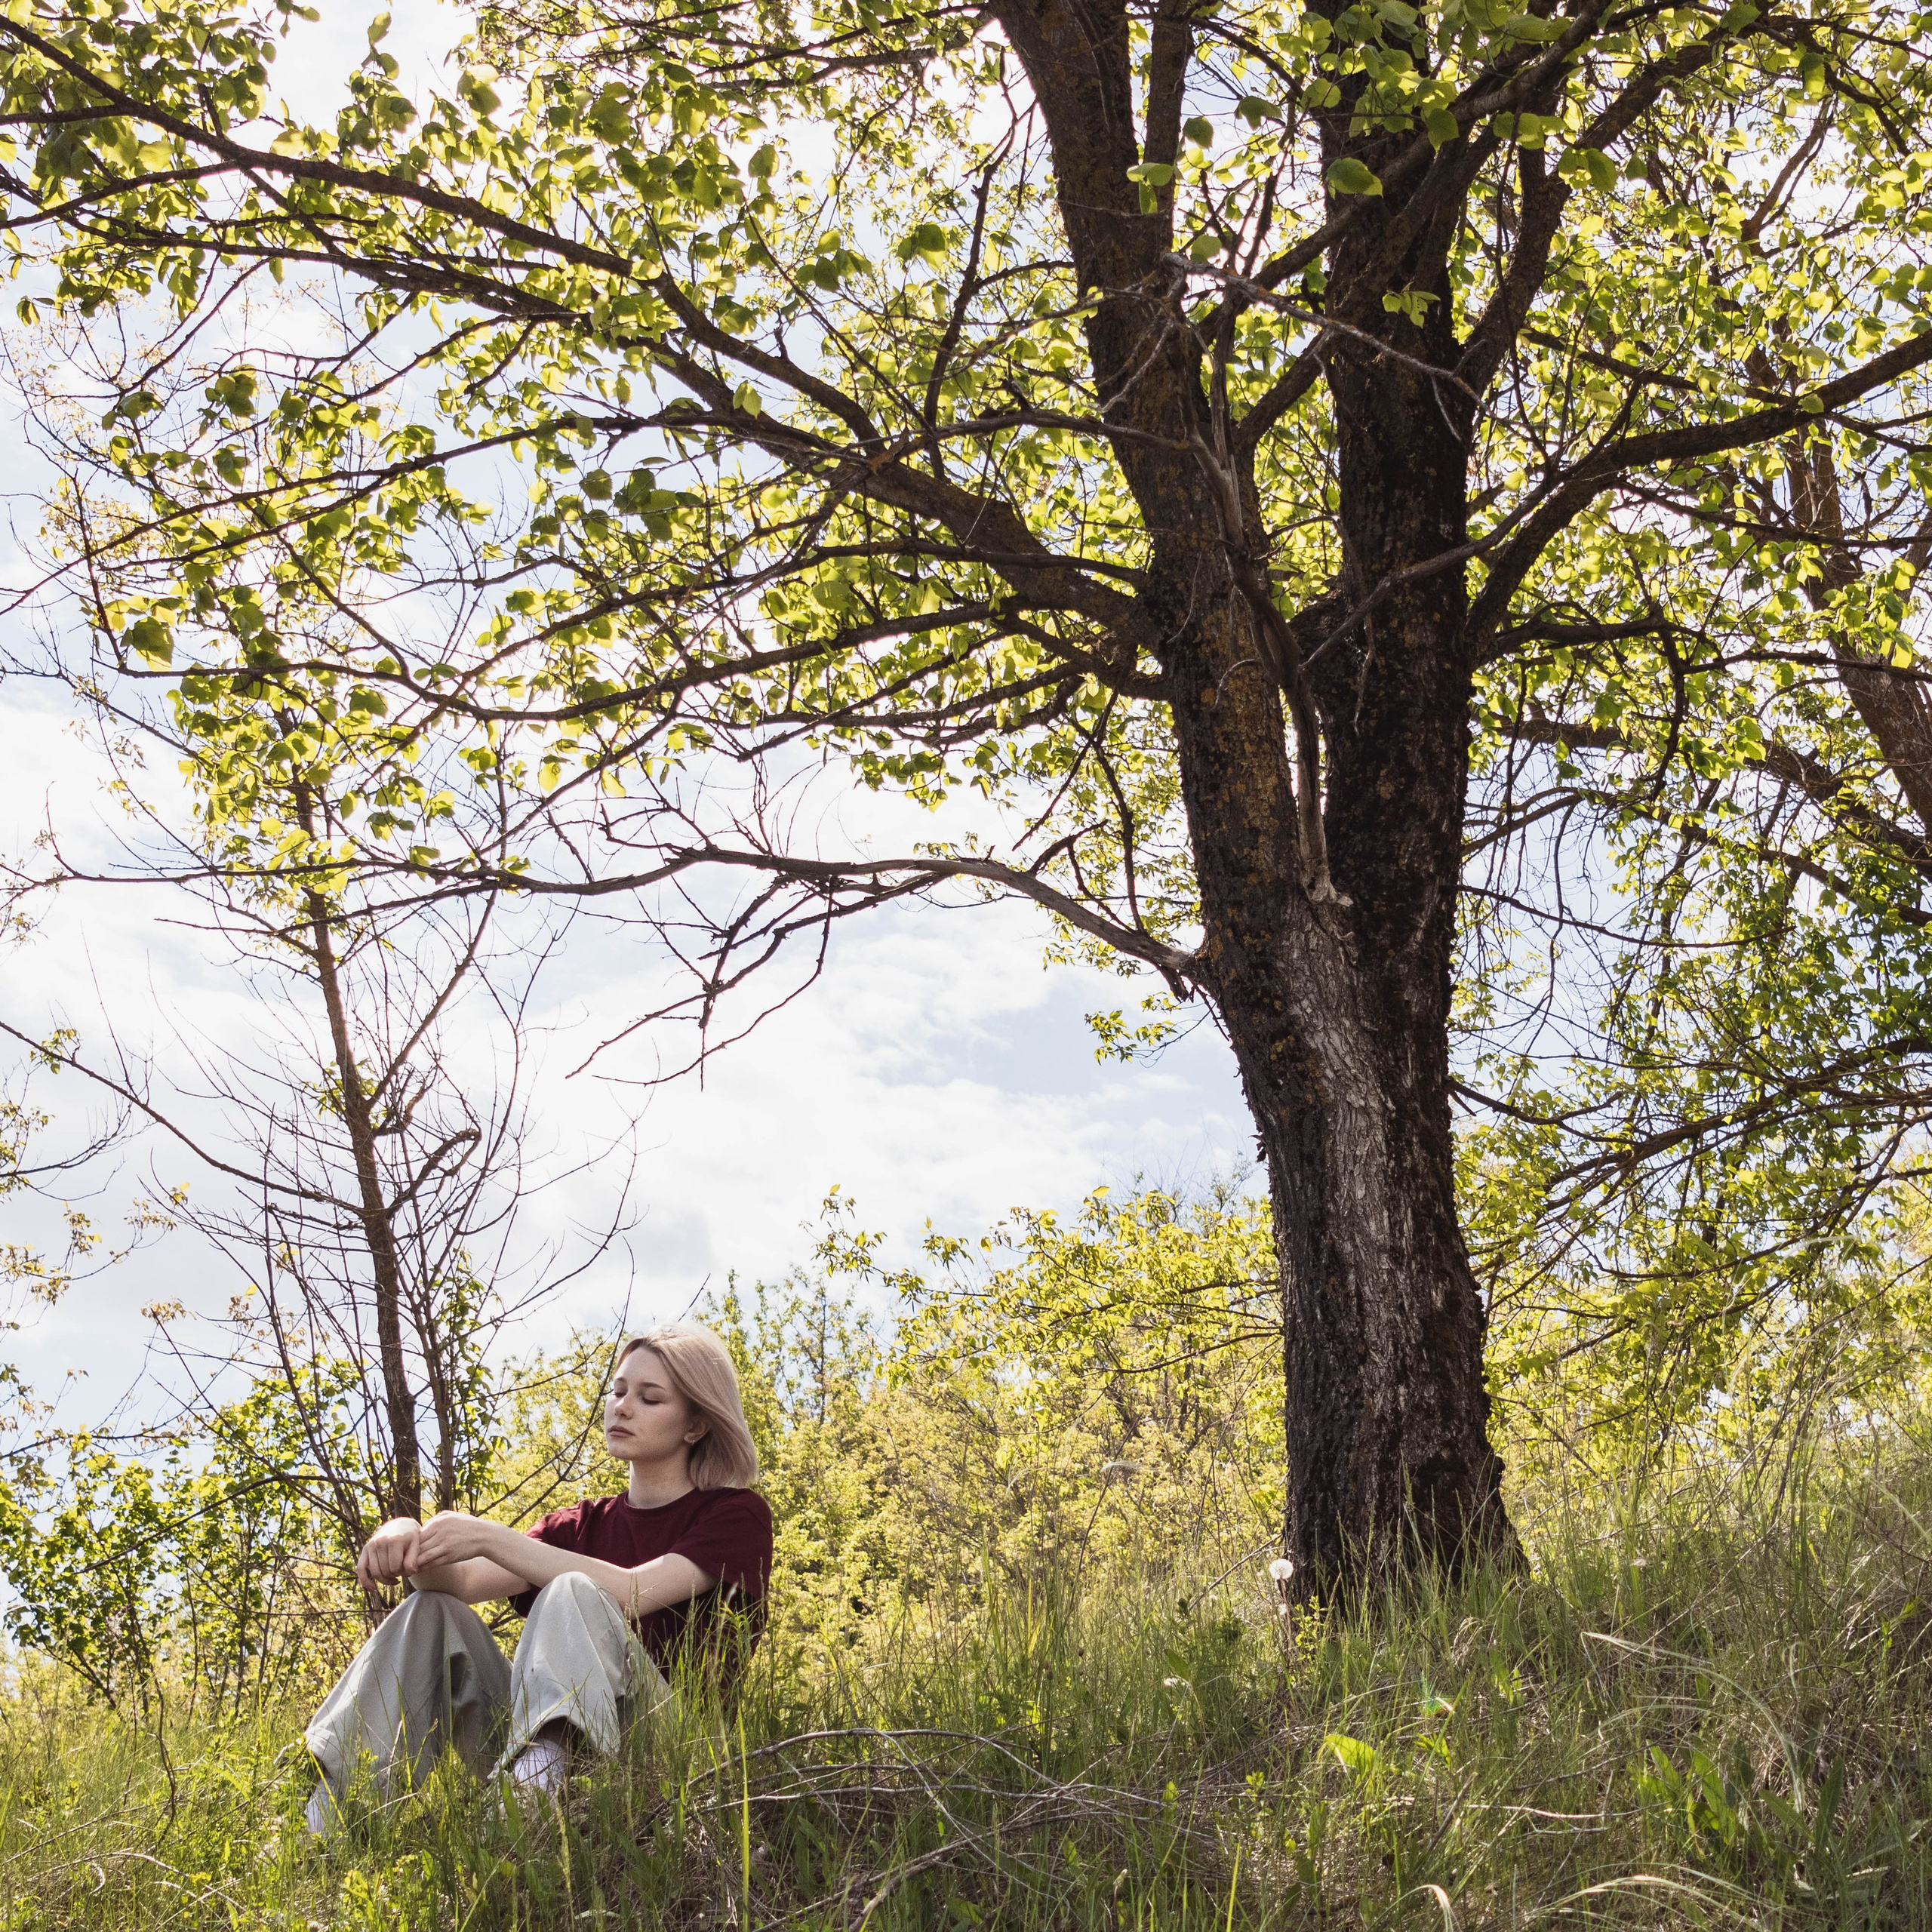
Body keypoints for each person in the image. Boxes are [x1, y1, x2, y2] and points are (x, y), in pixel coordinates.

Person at [303, 1321, 773, 1832]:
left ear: (696, 1425)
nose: (622, 1407)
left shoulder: (735, 1515)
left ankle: (526, 1805)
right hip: (532, 1746)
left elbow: (633, 1592)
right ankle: (329, 1817)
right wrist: (406, 1534)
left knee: (575, 1588)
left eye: (649, 1398)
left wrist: (489, 1536)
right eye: (618, 1391)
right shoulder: (581, 1525)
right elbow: (458, 1584)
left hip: (665, 1750)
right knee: (428, 1609)